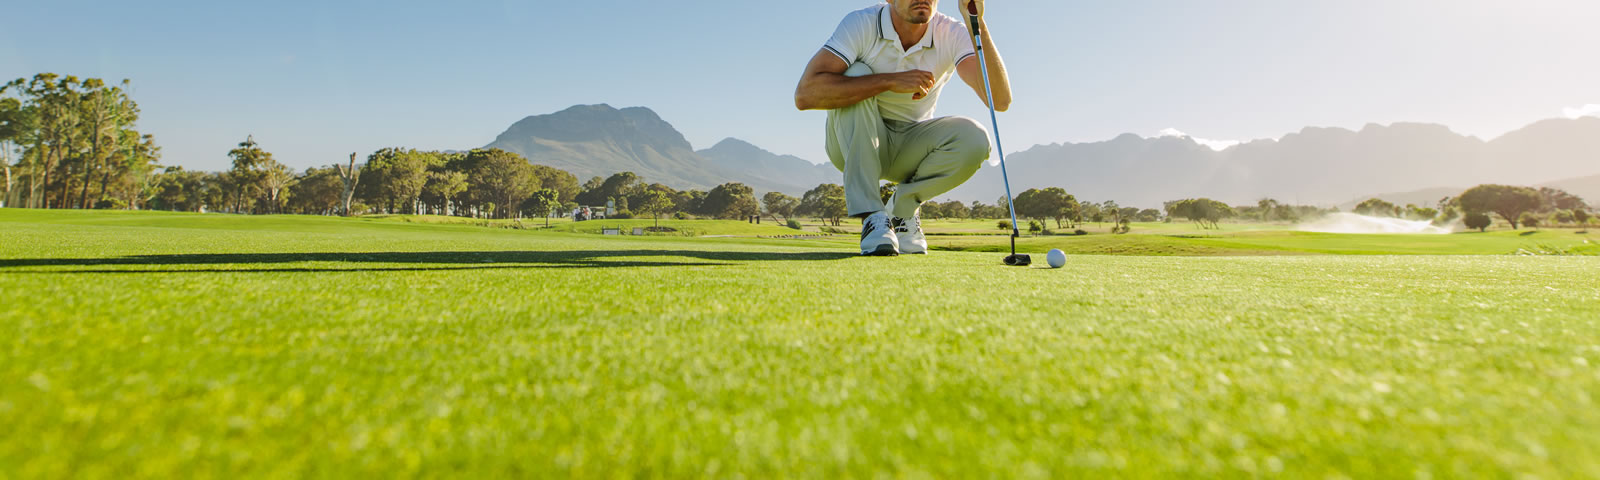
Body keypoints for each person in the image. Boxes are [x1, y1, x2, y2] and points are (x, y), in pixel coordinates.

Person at [795, 0, 1011, 256]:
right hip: (851, 143)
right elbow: (805, 94)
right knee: (854, 73)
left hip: (910, 146)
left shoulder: (951, 32)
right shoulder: (862, 23)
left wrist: (976, 22)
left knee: (974, 138)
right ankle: (873, 217)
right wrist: (889, 81)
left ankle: (901, 210)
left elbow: (999, 100)